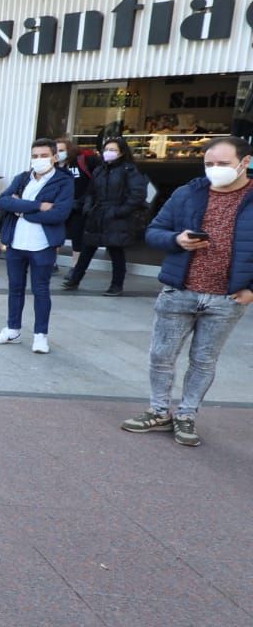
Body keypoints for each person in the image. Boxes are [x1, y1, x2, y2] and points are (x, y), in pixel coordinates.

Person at [120, 137, 252, 447]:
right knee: (161, 356)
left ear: (244, 163)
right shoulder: (188, 193)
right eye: (209, 164)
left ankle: (187, 414)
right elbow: (154, 231)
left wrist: (251, 291)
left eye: (223, 164)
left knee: (204, 361)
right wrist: (176, 240)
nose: (215, 170)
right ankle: (158, 410)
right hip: (180, 290)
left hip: (227, 298)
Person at [0, 139, 76, 354]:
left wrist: (22, 211)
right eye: (35, 156)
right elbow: (3, 201)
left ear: (54, 157)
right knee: (15, 288)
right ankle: (12, 329)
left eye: (43, 155)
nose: (38, 160)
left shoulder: (64, 182)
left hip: (42, 244)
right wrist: (37, 207)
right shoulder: (22, 178)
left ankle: (40, 335)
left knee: (41, 290)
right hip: (16, 242)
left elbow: (59, 213)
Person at [62, 136, 148, 295]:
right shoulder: (99, 170)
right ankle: (75, 279)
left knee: (116, 251)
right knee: (87, 248)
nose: (109, 153)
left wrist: (119, 211)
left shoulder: (129, 170)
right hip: (97, 213)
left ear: (122, 152)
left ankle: (116, 285)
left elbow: (137, 195)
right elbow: (91, 192)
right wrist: (88, 207)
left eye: (113, 150)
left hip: (116, 216)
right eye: (107, 149)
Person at [54, 136, 89, 269]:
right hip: (59, 206)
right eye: (56, 150)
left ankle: (75, 266)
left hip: (77, 206)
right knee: (56, 233)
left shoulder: (79, 163)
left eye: (62, 150)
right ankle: (52, 262)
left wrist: (83, 201)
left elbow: (88, 183)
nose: (59, 153)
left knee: (77, 236)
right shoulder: (54, 166)